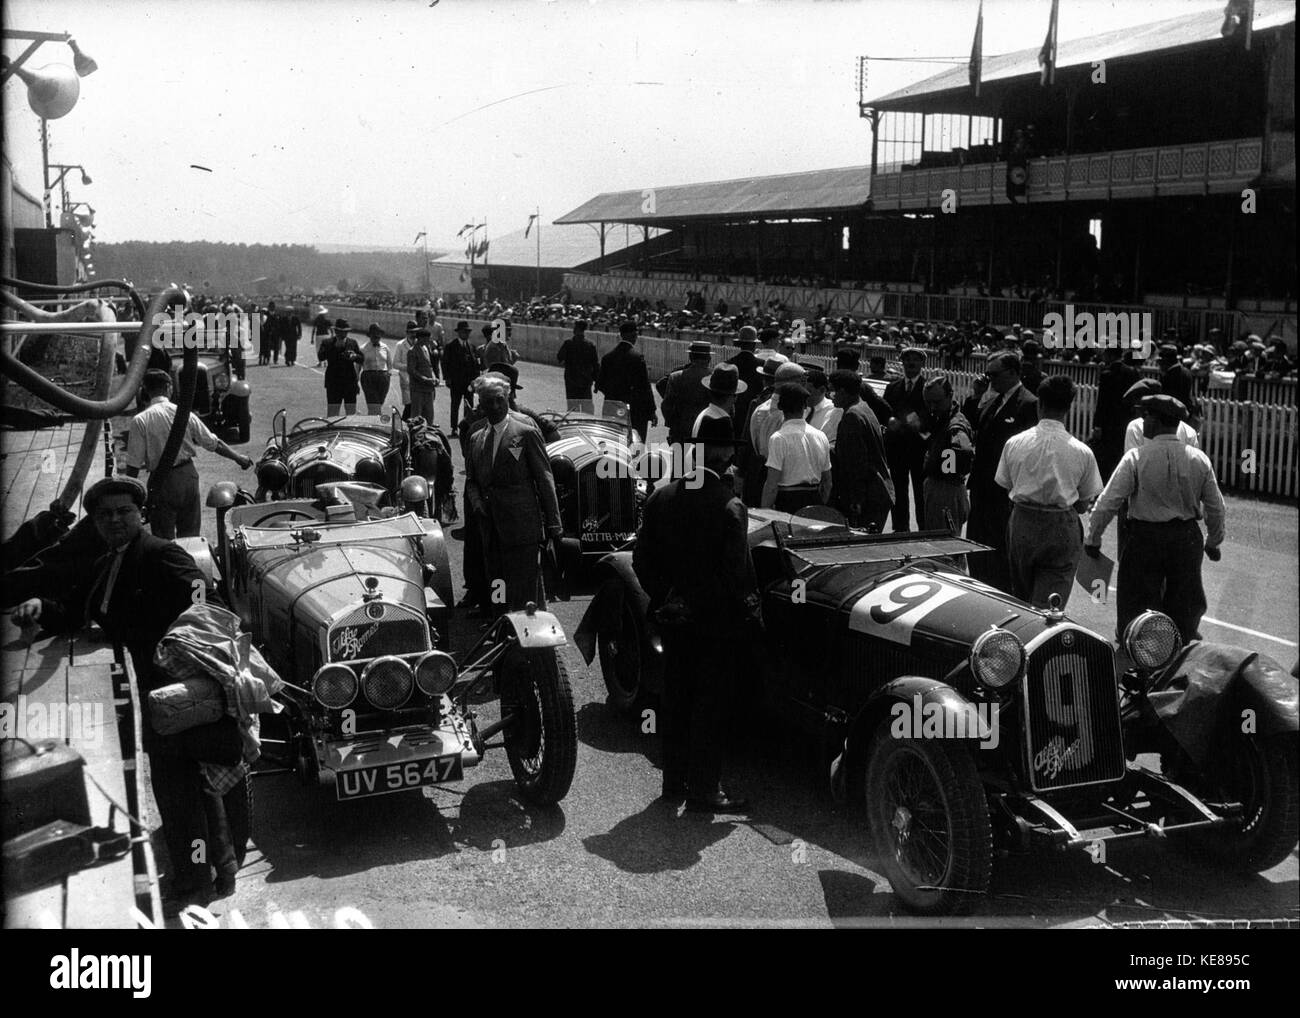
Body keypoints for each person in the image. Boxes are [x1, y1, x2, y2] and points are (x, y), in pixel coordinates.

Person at [12, 477, 240, 911]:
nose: (115, 520)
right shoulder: (107, 563)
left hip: (179, 687)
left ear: (142, 515)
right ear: (95, 522)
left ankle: (196, 881)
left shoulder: (161, 554)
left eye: (123, 512)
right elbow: (80, 610)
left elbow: (204, 600)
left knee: (181, 788)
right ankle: (215, 870)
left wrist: (178, 649)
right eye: (104, 515)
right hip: (156, 691)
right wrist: (43, 607)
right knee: (185, 784)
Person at [633, 414, 756, 814]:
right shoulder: (729, 505)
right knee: (710, 703)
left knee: (676, 697)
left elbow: (640, 559)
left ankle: (673, 783)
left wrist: (669, 597)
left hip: (672, 620)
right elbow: (738, 575)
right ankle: (705, 789)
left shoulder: (661, 497)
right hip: (713, 624)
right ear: (721, 455)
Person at [1085, 394, 1225, 644]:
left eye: (1146, 415)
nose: (1142, 421)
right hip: (1185, 539)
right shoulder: (1198, 458)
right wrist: (1213, 541)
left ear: (1158, 421)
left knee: (1136, 606)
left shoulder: (1137, 457)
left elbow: (1108, 502)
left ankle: (1139, 662)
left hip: (1144, 538)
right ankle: (1177, 657)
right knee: (1185, 605)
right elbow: (1216, 506)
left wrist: (1093, 539)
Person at [994, 376, 1102, 607]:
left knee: (1021, 595)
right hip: (1060, 526)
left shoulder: (1015, 443)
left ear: (1040, 404)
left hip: (1022, 522)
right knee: (1051, 603)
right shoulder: (1082, 451)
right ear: (1069, 406)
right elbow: (1084, 504)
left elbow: (1006, 486)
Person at [464, 375, 562, 612]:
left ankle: (533, 635)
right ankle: (500, 622)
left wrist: (554, 524)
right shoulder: (477, 438)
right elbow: (471, 481)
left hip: (522, 525)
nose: (495, 406)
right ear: (481, 404)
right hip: (491, 526)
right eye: (489, 402)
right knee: (497, 581)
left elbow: (545, 478)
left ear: (507, 399)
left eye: (499, 400)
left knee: (526, 584)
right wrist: (477, 503)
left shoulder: (526, 432)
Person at [123, 370, 253, 539]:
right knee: (191, 537)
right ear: (169, 388)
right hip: (187, 476)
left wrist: (129, 498)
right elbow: (213, 443)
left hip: (161, 482)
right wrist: (239, 458)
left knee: (163, 540)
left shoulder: (141, 420)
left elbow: (133, 465)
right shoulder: (183, 413)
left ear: (145, 390)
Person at [966, 351, 1038, 593]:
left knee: (1000, 552)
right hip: (981, 488)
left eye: (994, 374)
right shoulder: (990, 402)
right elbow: (972, 424)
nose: (990, 379)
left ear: (1013, 373)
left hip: (1004, 491)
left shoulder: (1028, 404)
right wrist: (977, 394)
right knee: (976, 547)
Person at [828, 369, 893, 530]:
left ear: (842, 391)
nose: (831, 396)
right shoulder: (863, 407)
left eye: (833, 391)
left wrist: (856, 499)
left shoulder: (852, 416)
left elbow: (856, 464)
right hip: (877, 491)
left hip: (867, 497)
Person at [761, 382, 832, 512]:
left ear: (780, 406)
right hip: (814, 501)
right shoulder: (821, 436)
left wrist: (764, 513)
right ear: (805, 407)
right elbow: (827, 483)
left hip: (788, 502)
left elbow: (771, 485)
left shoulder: (779, 438)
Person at [883, 347, 930, 531]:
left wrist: (906, 420)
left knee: (921, 491)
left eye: (915, 360)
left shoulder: (928, 388)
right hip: (898, 449)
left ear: (922, 363)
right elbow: (886, 413)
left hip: (919, 449)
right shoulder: (892, 387)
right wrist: (890, 422)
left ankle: (923, 528)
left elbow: (929, 418)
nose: (911, 363)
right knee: (898, 491)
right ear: (902, 363)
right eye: (907, 360)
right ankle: (901, 528)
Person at [920, 376, 974, 533]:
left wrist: (946, 469)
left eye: (936, 402)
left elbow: (964, 451)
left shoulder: (955, 424)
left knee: (945, 546)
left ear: (950, 395)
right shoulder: (941, 417)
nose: (932, 407)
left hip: (945, 490)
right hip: (940, 489)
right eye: (928, 402)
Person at [596, 321, 657, 442]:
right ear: (633, 335)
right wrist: (651, 411)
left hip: (612, 407)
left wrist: (614, 394)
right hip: (634, 410)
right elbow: (645, 387)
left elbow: (600, 384)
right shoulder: (637, 358)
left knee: (613, 442)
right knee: (635, 444)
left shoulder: (607, 358)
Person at [1090, 345, 1142, 481]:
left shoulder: (1107, 374)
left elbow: (1102, 403)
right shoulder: (1133, 372)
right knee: (1122, 454)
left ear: (1111, 355)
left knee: (1107, 457)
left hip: (1109, 423)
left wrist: (1097, 425)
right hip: (1126, 420)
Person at [659, 342, 714, 446]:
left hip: (680, 432)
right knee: (699, 461)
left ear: (690, 357)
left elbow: (666, 406)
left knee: (679, 461)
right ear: (709, 358)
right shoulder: (714, 379)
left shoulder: (676, 377)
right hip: (705, 432)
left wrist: (674, 425)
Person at [320, 318, 363, 415]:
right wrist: (334, 347)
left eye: (346, 332)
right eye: (341, 332)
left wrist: (355, 356)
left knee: (351, 412)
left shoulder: (352, 342)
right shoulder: (327, 342)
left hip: (350, 382)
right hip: (333, 383)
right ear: (336, 331)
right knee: (332, 412)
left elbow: (361, 358)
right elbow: (321, 356)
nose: (344, 334)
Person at [442, 321, 479, 431]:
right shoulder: (450, 346)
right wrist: (447, 378)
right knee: (455, 405)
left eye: (467, 332)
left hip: (468, 382)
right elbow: (445, 363)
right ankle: (454, 427)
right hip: (456, 381)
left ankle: (466, 426)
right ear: (459, 333)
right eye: (463, 332)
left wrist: (475, 380)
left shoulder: (471, 347)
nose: (466, 334)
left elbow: (475, 364)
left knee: (469, 405)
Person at [557, 319, 599, 412]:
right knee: (587, 408)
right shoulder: (590, 345)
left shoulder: (568, 343)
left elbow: (559, 358)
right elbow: (596, 365)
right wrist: (597, 382)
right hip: (585, 380)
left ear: (576, 329)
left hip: (571, 380)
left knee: (572, 408)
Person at [726, 326, 762, 427]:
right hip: (755, 413)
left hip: (734, 411)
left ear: (739, 344)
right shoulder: (762, 365)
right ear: (754, 345)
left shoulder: (729, 364)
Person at [406, 328, 439, 424]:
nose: (428, 341)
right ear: (420, 338)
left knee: (429, 416)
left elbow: (429, 367)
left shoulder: (425, 349)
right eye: (426, 339)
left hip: (428, 389)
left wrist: (434, 378)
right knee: (417, 417)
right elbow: (411, 370)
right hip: (418, 389)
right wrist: (425, 379)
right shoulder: (412, 351)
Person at [359, 324, 394, 414]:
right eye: (374, 335)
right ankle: (374, 421)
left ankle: (372, 419)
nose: (376, 337)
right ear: (370, 336)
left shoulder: (385, 347)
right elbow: (358, 366)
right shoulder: (363, 349)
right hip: (368, 377)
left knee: (379, 403)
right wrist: (355, 380)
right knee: (373, 404)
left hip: (383, 378)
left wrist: (388, 374)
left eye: (378, 335)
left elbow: (390, 364)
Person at [805, 368, 840, 448]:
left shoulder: (834, 411)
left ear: (822, 390)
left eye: (808, 391)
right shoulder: (799, 408)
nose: (804, 395)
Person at [393, 320, 419, 420]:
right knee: (409, 406)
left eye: (415, 332)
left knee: (417, 407)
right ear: (407, 333)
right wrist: (408, 367)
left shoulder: (420, 344)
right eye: (411, 332)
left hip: (418, 379)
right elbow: (395, 364)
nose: (414, 334)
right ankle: (403, 427)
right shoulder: (400, 345)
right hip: (406, 379)